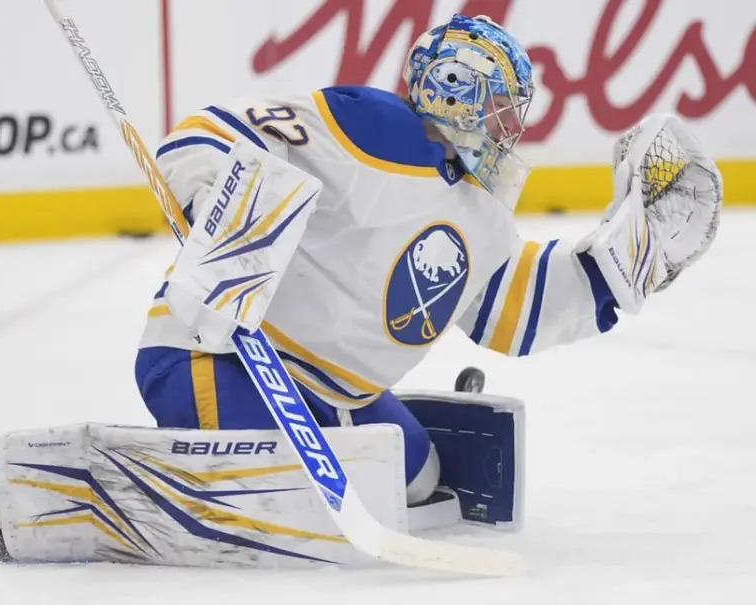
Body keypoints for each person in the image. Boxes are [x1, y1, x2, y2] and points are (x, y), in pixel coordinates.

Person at [133, 12, 721, 509]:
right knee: (279, 489)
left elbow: (514, 307)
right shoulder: (375, 127)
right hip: (216, 353)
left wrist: (619, 270)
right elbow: (217, 129)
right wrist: (211, 190)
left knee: (417, 482)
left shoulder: (481, 213)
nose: (510, 126)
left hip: (332, 394)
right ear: (455, 86)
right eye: (500, 106)